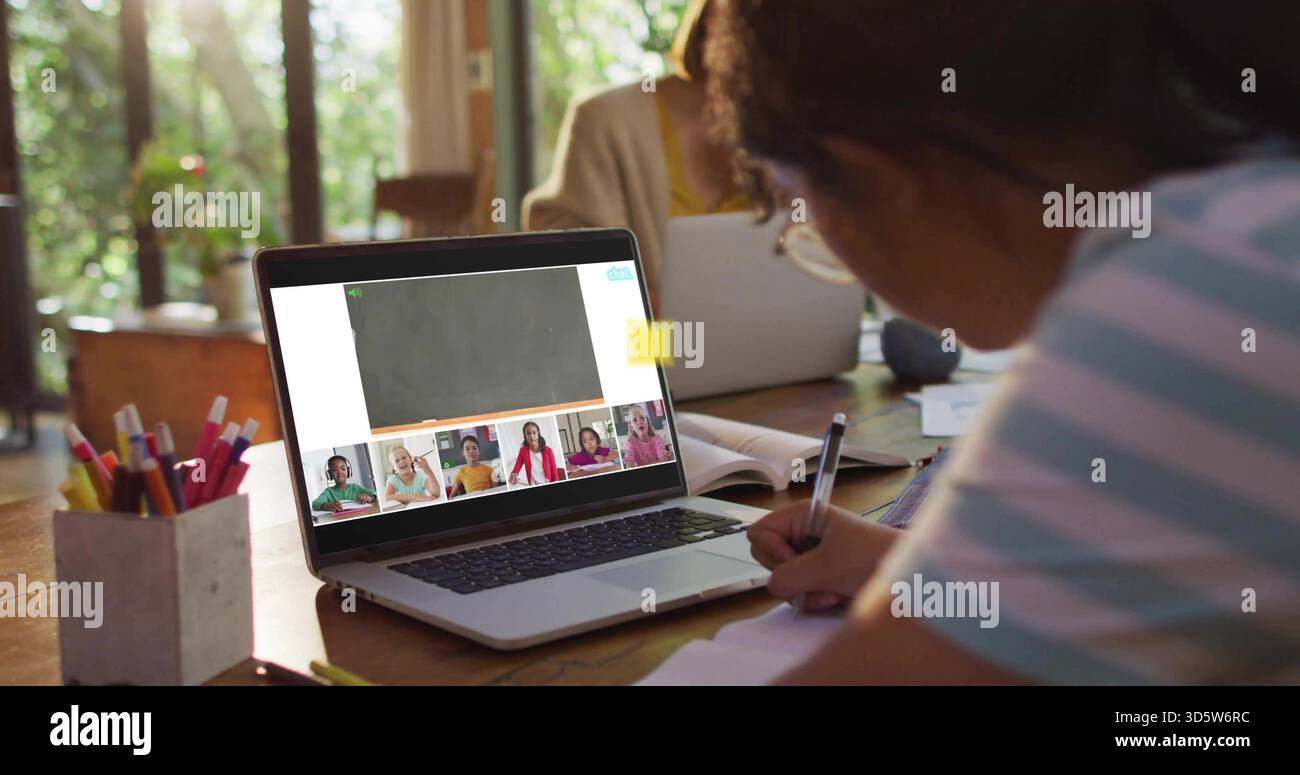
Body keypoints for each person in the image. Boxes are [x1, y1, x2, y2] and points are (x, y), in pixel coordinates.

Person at [708, 0, 1300, 683]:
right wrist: (920, 567)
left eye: (802, 210)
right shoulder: (1251, 215)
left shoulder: (1201, 288)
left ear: (882, 180)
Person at [523, 0, 752, 304]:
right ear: (716, 18)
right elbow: (561, 267)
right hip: (643, 347)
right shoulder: (606, 120)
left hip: (773, 346)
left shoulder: (801, 133)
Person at [311, 455, 376, 513]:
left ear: (348, 471)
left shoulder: (355, 488)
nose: (340, 472)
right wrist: (327, 506)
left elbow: (375, 492)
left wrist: (369, 497)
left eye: (343, 469)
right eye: (334, 470)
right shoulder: (329, 492)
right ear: (330, 474)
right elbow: (315, 504)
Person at [509, 421, 563, 486]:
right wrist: (513, 474)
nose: (532, 436)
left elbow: (554, 474)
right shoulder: (523, 451)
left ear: (538, 433)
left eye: (534, 433)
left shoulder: (548, 451)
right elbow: (517, 467)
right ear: (525, 436)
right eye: (528, 433)